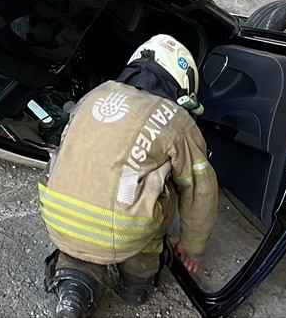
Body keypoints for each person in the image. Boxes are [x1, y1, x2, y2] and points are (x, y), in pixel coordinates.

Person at [39, 34, 218, 318]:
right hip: (122, 230)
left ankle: (75, 281)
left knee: (96, 166)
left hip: (57, 216)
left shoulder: (95, 94)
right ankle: (137, 281)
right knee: (165, 184)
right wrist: (192, 246)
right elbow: (200, 189)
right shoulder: (176, 118)